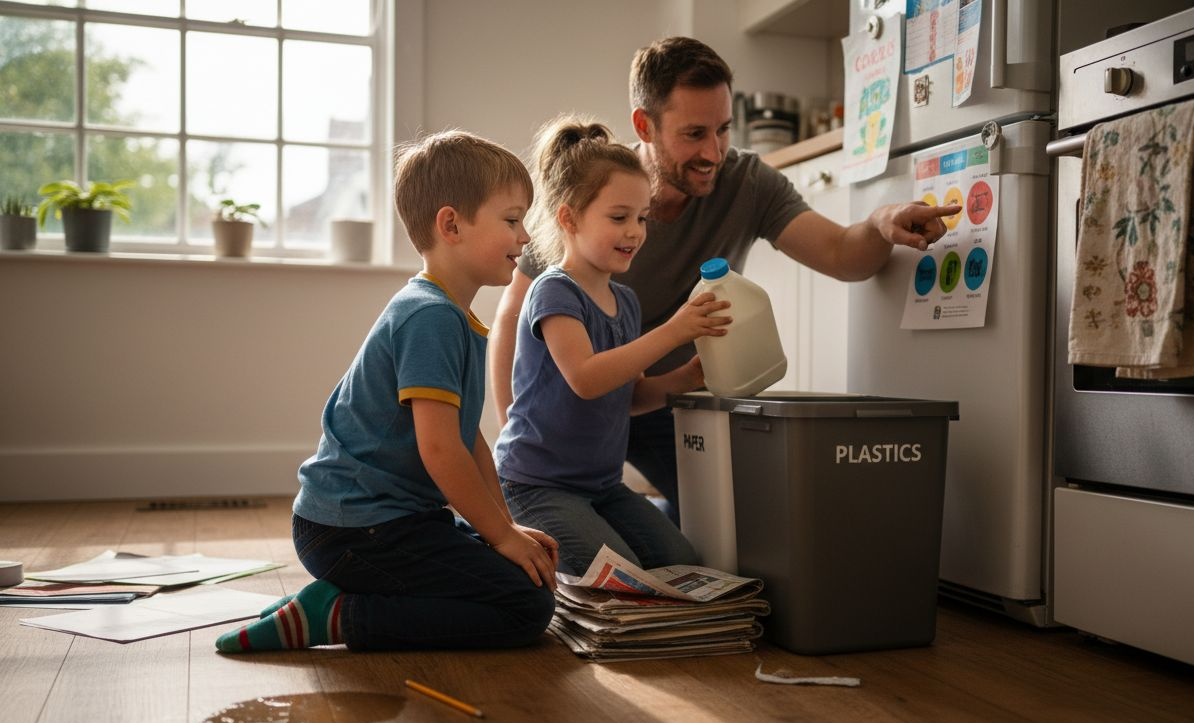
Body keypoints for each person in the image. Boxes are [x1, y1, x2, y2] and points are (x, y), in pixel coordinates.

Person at [488, 37, 960, 526]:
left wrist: (882, 222)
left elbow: (842, 254)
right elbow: (513, 319)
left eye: (723, 129)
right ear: (644, 125)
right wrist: (516, 460)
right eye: (694, 133)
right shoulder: (595, 196)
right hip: (568, 415)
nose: (714, 152)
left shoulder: (746, 182)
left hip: (664, 399)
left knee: (724, 522)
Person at [216, 129, 558, 653]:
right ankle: (338, 615)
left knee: (524, 573)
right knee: (524, 607)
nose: (525, 238)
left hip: (384, 524)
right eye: (512, 221)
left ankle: (328, 601)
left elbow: (467, 442)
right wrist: (502, 539)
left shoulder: (451, 315)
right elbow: (441, 452)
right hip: (352, 531)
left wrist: (505, 530)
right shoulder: (430, 318)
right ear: (451, 225)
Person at [493, 116, 731, 576]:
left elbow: (629, 395)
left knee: (680, 563)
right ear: (568, 217)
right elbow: (586, 378)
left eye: (641, 218)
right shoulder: (553, 291)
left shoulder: (625, 301)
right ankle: (493, 536)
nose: (635, 232)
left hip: (601, 486)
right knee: (616, 573)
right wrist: (674, 330)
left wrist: (685, 378)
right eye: (619, 217)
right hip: (536, 484)